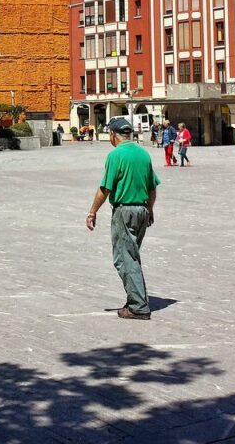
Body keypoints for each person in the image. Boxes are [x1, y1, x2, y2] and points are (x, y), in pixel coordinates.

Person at [85, 117, 160, 321]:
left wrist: (93, 211)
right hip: (142, 210)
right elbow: (152, 187)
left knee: (124, 258)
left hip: (124, 211)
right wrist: (150, 210)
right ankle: (135, 298)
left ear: (112, 135)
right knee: (132, 255)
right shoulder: (143, 154)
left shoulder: (115, 155)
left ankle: (138, 306)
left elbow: (105, 189)